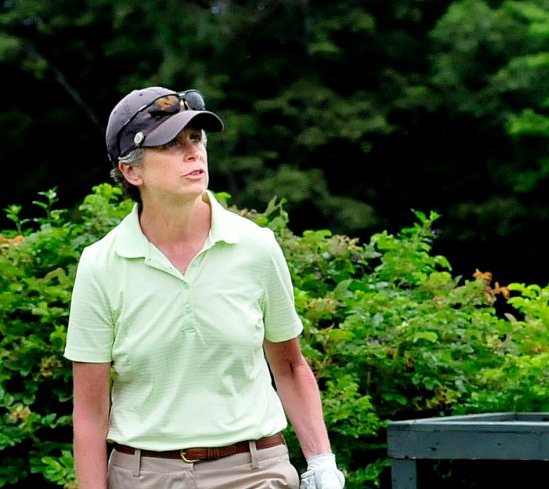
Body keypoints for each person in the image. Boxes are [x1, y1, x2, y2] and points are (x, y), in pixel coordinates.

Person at [64, 86, 347, 489]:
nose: (193, 152)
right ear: (131, 171)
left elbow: (289, 365)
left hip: (255, 471)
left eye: (196, 139)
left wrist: (322, 461)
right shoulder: (101, 265)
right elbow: (90, 413)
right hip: (144, 477)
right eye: (171, 144)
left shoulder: (254, 246)